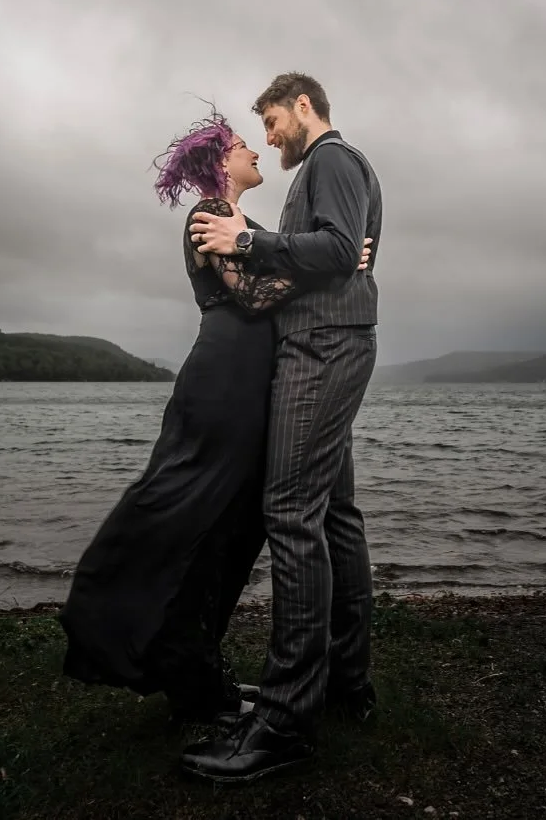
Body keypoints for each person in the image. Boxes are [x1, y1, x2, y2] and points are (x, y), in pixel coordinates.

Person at [58, 109, 371, 726]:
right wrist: (335, 266)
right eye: (238, 144)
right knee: (192, 521)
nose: (254, 149)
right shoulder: (208, 216)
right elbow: (253, 298)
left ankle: (196, 672)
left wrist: (319, 262)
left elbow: (276, 273)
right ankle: (170, 662)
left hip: (254, 384)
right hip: (223, 382)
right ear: (215, 162)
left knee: (237, 529)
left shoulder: (243, 223)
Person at [181, 72, 382, 783]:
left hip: (321, 349)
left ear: (303, 105)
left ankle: (286, 720)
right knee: (334, 516)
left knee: (290, 512)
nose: (266, 136)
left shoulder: (331, 158)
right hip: (331, 341)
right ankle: (344, 682)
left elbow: (332, 250)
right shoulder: (334, 169)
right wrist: (310, 246)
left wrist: (252, 236)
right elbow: (337, 252)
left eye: (270, 120)